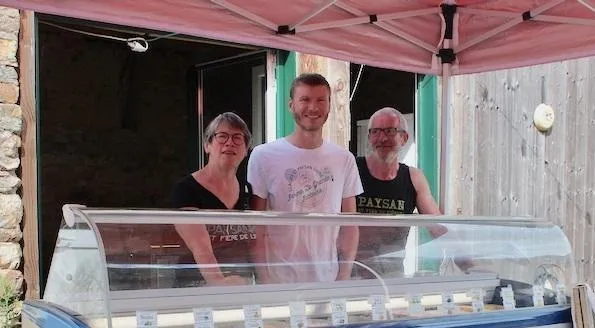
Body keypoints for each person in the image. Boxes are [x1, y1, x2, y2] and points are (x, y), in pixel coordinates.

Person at [247, 73, 362, 283]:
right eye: (305, 100)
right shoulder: (263, 156)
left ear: (329, 105)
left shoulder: (344, 159)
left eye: (320, 100)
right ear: (291, 105)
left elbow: (350, 225)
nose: (313, 107)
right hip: (279, 281)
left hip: (327, 279)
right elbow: (257, 227)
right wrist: (265, 281)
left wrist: (343, 278)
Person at [354, 107, 442, 278]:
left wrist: (471, 266)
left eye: (390, 131)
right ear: (369, 137)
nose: (382, 138)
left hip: (391, 275)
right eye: (376, 132)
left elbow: (438, 227)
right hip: (350, 273)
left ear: (404, 138)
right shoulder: (352, 169)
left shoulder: (413, 178)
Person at [170, 112, 255, 286]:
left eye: (238, 138)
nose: (230, 143)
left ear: (246, 150)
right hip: (196, 290)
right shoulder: (186, 189)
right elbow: (200, 246)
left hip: (240, 289)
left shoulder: (248, 190)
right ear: (207, 145)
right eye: (222, 136)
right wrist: (218, 282)